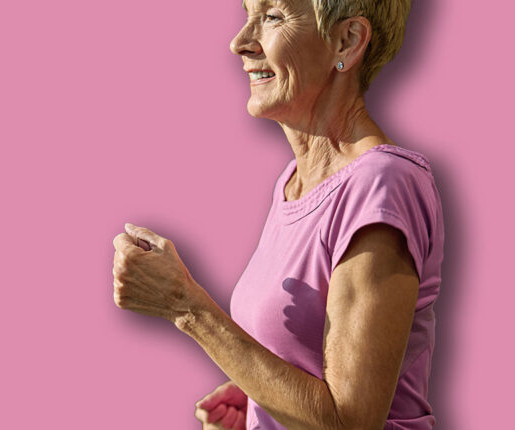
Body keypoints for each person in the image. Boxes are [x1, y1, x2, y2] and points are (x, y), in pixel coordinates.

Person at [111, 0, 444, 428]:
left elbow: (349, 422)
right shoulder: (293, 183)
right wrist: (260, 405)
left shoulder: (382, 184)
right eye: (247, 13)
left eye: (272, 16)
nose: (240, 43)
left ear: (348, 40)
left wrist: (185, 307)